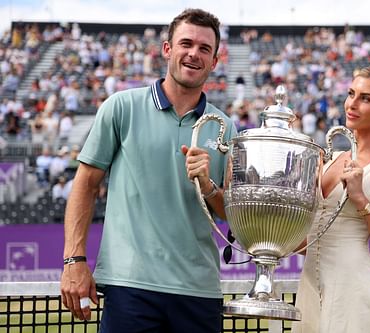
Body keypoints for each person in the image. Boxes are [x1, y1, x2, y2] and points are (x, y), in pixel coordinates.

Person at [60, 8, 237, 333]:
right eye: (186, 44)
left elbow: (231, 214)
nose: (193, 54)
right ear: (167, 49)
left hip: (198, 291)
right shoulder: (121, 107)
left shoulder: (225, 126)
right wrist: (74, 260)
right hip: (131, 287)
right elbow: (85, 184)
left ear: (214, 62)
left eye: (204, 49)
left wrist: (208, 185)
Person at [292, 65, 370, 333]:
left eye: (366, 98)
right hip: (310, 292)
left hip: (356, 296)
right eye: (351, 94)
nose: (352, 104)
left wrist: (360, 200)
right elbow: (303, 243)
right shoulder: (329, 159)